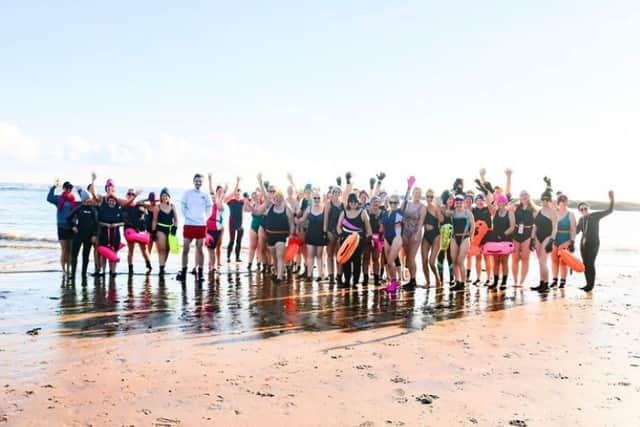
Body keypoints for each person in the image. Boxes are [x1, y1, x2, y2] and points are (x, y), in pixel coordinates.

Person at [576, 191, 614, 292]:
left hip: (593, 244)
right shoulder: (581, 220)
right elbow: (575, 232)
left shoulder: (595, 216)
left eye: (585, 208)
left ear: (588, 208)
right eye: (581, 209)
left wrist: (612, 199)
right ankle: (587, 284)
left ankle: (591, 285)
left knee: (590, 263)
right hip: (583, 245)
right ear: (579, 211)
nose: (584, 210)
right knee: (585, 264)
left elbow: (609, 211)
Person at [177, 173, 212, 282]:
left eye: (200, 181)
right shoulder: (187, 193)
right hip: (189, 224)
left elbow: (209, 207)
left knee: (200, 248)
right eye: (196, 180)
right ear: (193, 181)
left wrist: (204, 218)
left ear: (202, 182)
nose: (198, 182)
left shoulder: (205, 194)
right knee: (185, 248)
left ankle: (201, 273)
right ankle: (183, 272)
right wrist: (187, 215)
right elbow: (182, 205)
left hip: (201, 225)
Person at [336, 193, 373, 289]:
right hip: (345, 240)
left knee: (357, 261)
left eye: (355, 201)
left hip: (358, 241)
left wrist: (369, 238)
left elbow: (368, 228)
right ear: (348, 202)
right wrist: (341, 235)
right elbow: (338, 227)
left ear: (358, 202)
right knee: (345, 261)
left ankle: (355, 281)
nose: (353, 203)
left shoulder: (363, 212)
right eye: (351, 201)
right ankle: (347, 281)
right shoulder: (343, 212)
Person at [530, 189, 558, 292]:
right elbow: (535, 226)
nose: (544, 201)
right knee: (540, 262)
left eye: (546, 199)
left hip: (548, 237)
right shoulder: (538, 211)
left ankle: (546, 285)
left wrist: (552, 240)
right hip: (538, 237)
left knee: (543, 261)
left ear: (550, 200)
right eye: (543, 199)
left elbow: (555, 228)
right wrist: (532, 239)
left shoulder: (553, 211)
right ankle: (541, 282)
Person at [47, 179, 77, 273]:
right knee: (64, 250)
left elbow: (81, 206)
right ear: (64, 188)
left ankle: (69, 268)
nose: (69, 189)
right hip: (61, 226)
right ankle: (64, 270)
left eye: (70, 188)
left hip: (71, 226)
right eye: (67, 187)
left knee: (71, 250)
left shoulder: (74, 199)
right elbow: (49, 198)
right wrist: (54, 187)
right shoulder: (59, 198)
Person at [66, 187, 98, 277]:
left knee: (86, 256)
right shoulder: (79, 208)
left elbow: (96, 223)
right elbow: (69, 218)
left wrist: (94, 235)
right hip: (78, 235)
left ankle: (83, 274)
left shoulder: (92, 209)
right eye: (87, 199)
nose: (89, 200)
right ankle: (73, 274)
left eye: (90, 198)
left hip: (89, 236)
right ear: (83, 199)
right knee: (74, 254)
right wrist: (73, 226)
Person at [487, 194, 515, 290]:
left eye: (503, 202)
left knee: (504, 261)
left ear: (505, 202)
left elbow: (512, 226)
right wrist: (492, 198)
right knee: (495, 261)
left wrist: (503, 234)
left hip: (505, 238)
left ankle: (504, 282)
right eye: (499, 202)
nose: (501, 204)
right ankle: (495, 282)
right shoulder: (494, 212)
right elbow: (489, 204)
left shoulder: (510, 213)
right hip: (495, 238)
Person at [449, 194, 475, 291]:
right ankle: (457, 281)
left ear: (463, 202)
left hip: (465, 238)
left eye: (460, 202)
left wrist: (471, 238)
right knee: (454, 260)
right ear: (455, 203)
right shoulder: (453, 213)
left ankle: (463, 283)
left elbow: (473, 226)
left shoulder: (467, 213)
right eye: (457, 202)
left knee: (460, 261)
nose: (459, 204)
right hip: (454, 238)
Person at [123, 188, 153, 274]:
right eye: (129, 194)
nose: (130, 195)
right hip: (129, 230)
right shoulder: (125, 205)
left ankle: (149, 265)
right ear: (126, 195)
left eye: (132, 194)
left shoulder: (139, 204)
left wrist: (148, 200)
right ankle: (130, 268)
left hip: (140, 230)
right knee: (131, 250)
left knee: (144, 249)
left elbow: (151, 204)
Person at [401, 187, 426, 290]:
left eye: (419, 193)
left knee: (411, 257)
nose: (417, 195)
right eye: (415, 193)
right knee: (407, 257)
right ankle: (409, 279)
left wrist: (417, 234)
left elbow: (421, 222)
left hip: (415, 233)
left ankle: (413, 280)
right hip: (404, 232)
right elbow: (400, 211)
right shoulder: (407, 204)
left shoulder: (422, 207)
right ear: (412, 194)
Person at [550, 194, 576, 288]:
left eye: (564, 201)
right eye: (561, 201)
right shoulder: (554, 213)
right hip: (554, 238)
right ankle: (554, 280)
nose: (563, 203)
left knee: (563, 261)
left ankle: (563, 281)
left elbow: (573, 230)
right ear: (558, 202)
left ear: (567, 202)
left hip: (565, 239)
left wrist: (571, 242)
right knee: (554, 260)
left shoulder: (570, 214)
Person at [151, 188, 179, 276]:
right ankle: (161, 269)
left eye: (166, 195)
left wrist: (175, 228)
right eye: (163, 195)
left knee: (168, 249)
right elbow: (154, 220)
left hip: (170, 229)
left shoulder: (172, 206)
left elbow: (176, 220)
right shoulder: (157, 207)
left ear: (169, 197)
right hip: (160, 229)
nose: (164, 197)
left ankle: (163, 266)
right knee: (162, 249)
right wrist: (153, 231)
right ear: (160, 197)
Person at [511, 190, 537, 286]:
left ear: (529, 196)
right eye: (522, 194)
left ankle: (522, 282)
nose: (524, 196)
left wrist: (533, 239)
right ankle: (515, 281)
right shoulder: (515, 207)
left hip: (527, 235)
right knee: (515, 259)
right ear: (519, 197)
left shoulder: (534, 210)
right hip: (516, 234)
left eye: (526, 194)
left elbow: (535, 226)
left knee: (525, 259)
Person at [421, 189, 444, 287]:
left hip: (436, 235)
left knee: (431, 262)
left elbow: (442, 220)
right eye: (428, 196)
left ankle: (437, 279)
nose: (429, 198)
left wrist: (438, 210)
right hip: (426, 235)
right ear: (425, 197)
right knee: (424, 260)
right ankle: (428, 282)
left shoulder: (436, 208)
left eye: (431, 197)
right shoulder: (423, 208)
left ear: (434, 198)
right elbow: (419, 222)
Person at [225, 177, 245, 264]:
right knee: (232, 240)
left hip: (240, 224)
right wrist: (237, 182)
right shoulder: (230, 201)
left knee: (239, 241)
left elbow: (251, 202)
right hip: (232, 223)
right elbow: (226, 199)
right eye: (236, 192)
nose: (237, 194)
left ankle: (237, 257)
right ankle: (228, 257)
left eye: (239, 192)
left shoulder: (242, 201)